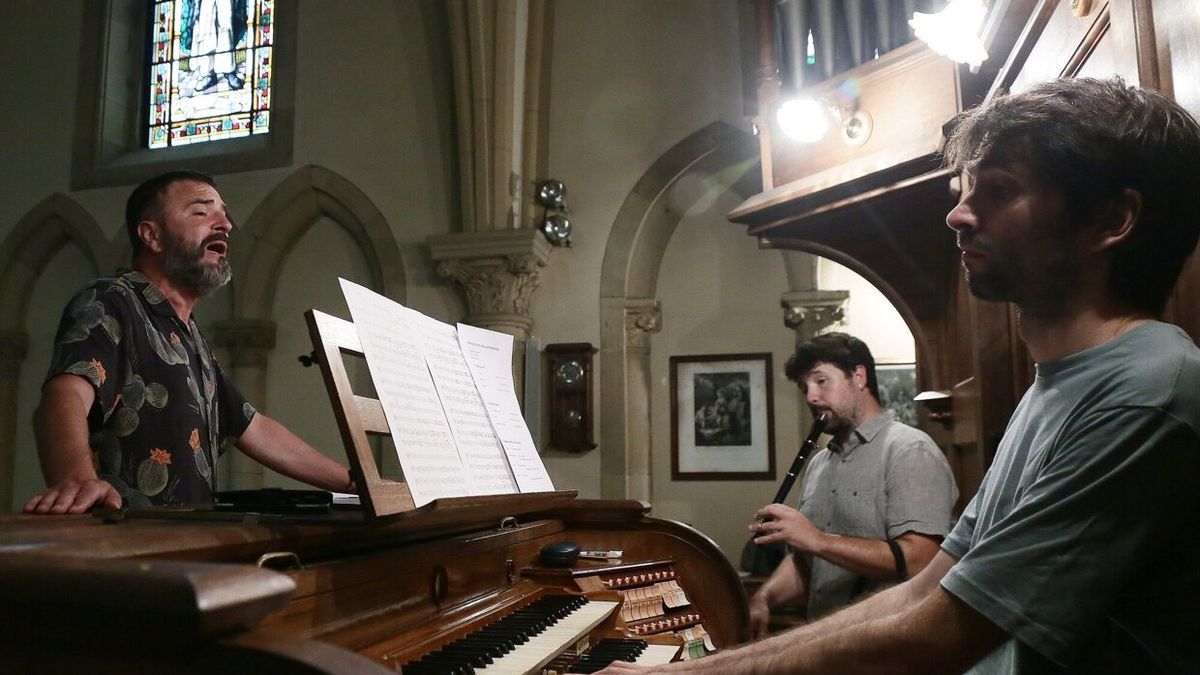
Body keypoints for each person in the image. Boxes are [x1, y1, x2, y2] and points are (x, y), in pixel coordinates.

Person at [598, 77, 1200, 674]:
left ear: (1111, 220)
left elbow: (936, 633)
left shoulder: (1145, 393)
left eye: (998, 190)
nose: (959, 214)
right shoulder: (1058, 387)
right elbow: (926, 592)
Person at [24, 170, 353, 514]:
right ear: (151, 235)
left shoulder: (189, 334)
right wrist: (74, 477)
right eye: (201, 211)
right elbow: (65, 394)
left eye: (223, 213)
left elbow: (256, 429)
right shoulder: (112, 300)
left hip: (186, 542)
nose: (224, 223)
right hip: (125, 544)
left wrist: (353, 482)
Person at [747, 332, 957, 634]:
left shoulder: (910, 450)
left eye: (821, 381)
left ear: (858, 376)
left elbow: (921, 560)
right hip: (824, 644)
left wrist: (818, 539)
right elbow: (808, 563)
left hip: (890, 647)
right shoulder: (820, 464)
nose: (811, 397)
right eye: (804, 386)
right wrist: (764, 598)